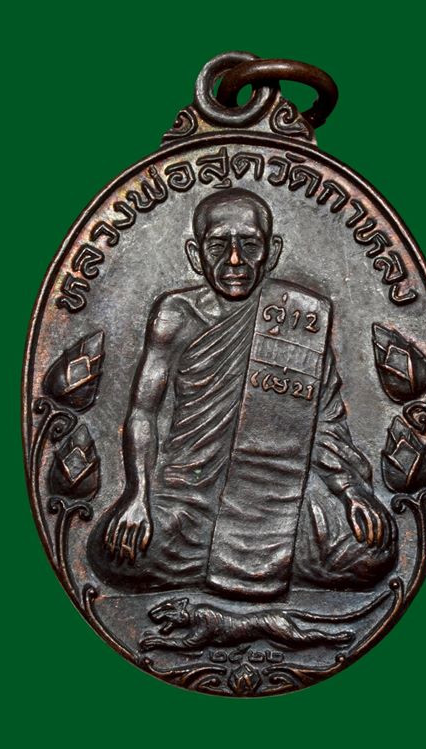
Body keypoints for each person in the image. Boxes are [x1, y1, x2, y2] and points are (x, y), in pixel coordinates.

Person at [88, 188, 397, 597]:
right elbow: (144, 411)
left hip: (279, 490)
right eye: (218, 246)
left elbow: (324, 423)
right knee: (112, 554)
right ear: (195, 255)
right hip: (192, 496)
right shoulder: (176, 316)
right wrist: (137, 496)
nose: (234, 260)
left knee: (374, 549)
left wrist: (352, 491)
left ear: (272, 252)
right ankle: (260, 566)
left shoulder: (299, 318)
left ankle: (229, 568)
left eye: (249, 244)